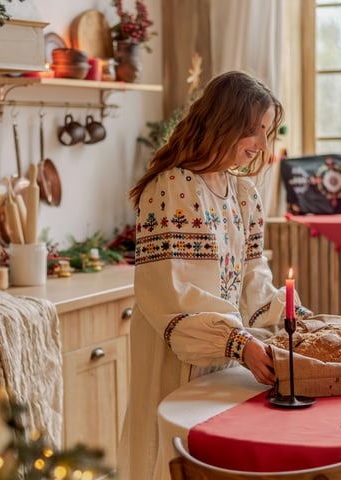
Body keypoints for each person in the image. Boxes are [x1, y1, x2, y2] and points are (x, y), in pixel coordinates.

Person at [117, 70, 312, 480]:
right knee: (171, 457)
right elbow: (175, 296)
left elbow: (251, 280)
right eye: (253, 131)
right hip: (174, 358)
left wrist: (297, 320)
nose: (261, 145)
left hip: (226, 359)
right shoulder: (173, 187)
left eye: (266, 132)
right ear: (225, 123)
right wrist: (236, 342)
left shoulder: (243, 194)